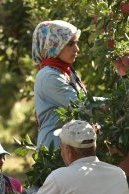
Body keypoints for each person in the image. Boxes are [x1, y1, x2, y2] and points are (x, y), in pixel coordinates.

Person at [32, 20, 87, 149]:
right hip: (55, 150)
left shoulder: (64, 71)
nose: (77, 49)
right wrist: (114, 103)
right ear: (53, 45)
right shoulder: (49, 76)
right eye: (70, 44)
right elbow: (83, 105)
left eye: (76, 43)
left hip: (69, 147)